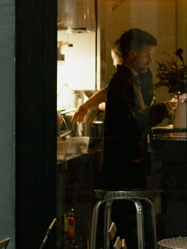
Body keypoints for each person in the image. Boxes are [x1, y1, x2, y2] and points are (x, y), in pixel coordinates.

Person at [103, 27, 176, 190]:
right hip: (123, 172)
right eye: (147, 55)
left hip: (131, 167)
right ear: (132, 55)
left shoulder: (133, 81)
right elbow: (130, 124)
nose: (151, 60)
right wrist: (164, 109)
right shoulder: (120, 83)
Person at [71, 43, 122, 124]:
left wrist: (105, 106)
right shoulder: (120, 78)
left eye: (114, 58)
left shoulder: (133, 78)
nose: (114, 63)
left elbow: (126, 109)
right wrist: (86, 105)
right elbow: (105, 92)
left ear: (122, 58)